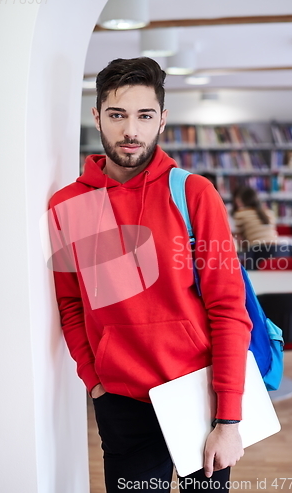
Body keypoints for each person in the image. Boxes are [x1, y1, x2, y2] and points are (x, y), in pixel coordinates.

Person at [48, 57, 252, 493]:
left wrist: (229, 418)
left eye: (144, 116)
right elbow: (70, 302)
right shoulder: (66, 204)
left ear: (162, 120)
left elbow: (228, 308)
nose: (130, 131)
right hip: (121, 401)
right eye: (117, 115)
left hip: (200, 394)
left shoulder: (194, 193)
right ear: (97, 115)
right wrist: (95, 380)